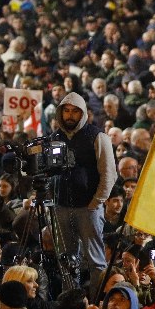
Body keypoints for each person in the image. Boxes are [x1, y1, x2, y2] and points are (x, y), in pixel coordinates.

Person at [52, 91, 117, 291]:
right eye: (67, 111)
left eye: (74, 112)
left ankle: (97, 301)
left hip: (88, 208)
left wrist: (96, 202)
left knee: (96, 261)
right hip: (62, 207)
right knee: (66, 260)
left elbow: (109, 173)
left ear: (83, 114)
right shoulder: (55, 137)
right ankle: (71, 302)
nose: (70, 115)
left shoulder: (97, 137)